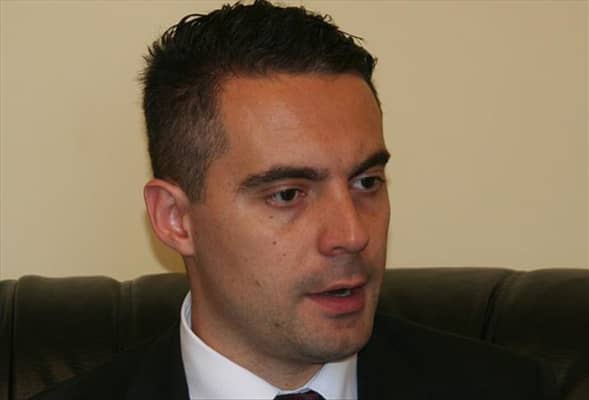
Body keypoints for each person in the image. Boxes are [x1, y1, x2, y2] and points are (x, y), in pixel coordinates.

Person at [32, 1, 559, 399]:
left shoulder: (510, 389)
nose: (352, 234)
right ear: (175, 219)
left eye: (366, 182)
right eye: (288, 194)